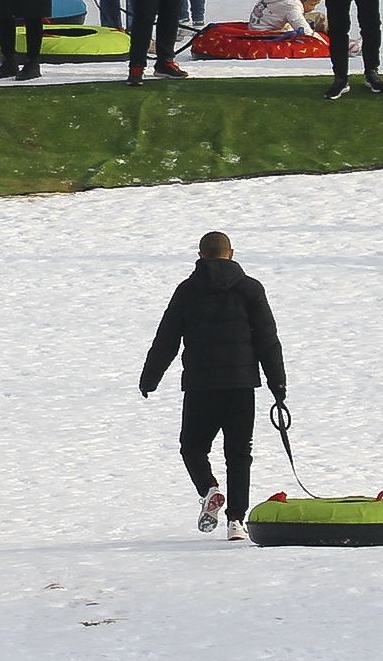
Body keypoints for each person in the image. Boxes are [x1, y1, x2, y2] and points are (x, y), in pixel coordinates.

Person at [138, 231, 286, 542]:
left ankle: (209, 489)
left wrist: (150, 377)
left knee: (192, 447)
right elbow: (267, 339)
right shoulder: (250, 289)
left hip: (200, 386)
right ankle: (236, 521)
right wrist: (278, 384)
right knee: (238, 454)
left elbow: (166, 339)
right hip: (241, 385)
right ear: (231, 254)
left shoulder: (187, 291)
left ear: (201, 254)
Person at [248, 0, 325, 38]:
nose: (313, 8)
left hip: (256, 26)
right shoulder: (292, 6)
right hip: (267, 31)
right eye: (313, 4)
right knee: (320, 18)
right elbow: (305, 31)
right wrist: (319, 39)